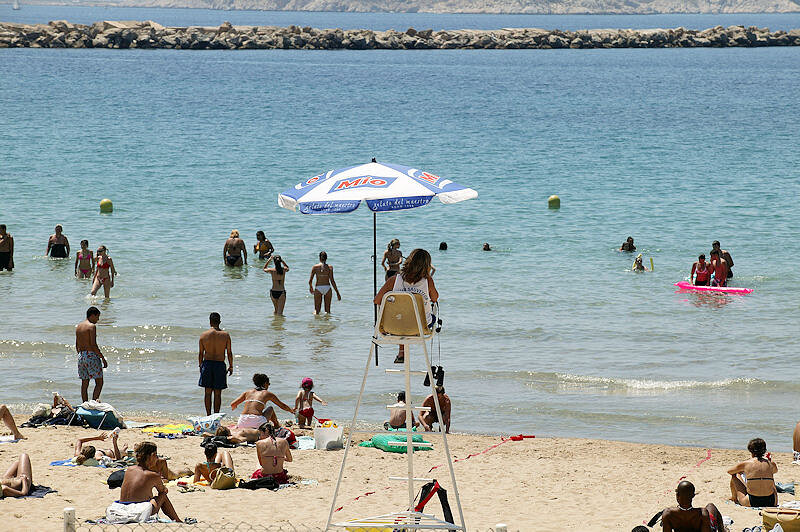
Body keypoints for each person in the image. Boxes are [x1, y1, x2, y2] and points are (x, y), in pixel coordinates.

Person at [374, 248, 439, 363]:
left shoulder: (393, 280)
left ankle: (401, 352)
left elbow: (377, 300)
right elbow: (435, 298)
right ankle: (402, 352)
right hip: (420, 327)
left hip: (393, 326)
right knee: (418, 316)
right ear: (427, 265)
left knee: (402, 315)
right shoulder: (427, 281)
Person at [106, 442, 180, 524]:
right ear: (152, 456)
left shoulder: (129, 470)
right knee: (163, 495)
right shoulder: (153, 475)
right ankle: (178, 520)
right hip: (138, 512)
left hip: (119, 510)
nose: (157, 458)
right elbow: (162, 491)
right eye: (156, 455)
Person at [198, 312, 233, 416]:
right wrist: (231, 366)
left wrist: (200, 365)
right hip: (219, 364)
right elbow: (229, 352)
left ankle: (208, 415)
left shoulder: (204, 335)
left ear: (210, 322)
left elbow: (201, 353)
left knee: (207, 392)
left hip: (207, 364)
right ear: (220, 322)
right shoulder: (225, 335)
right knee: (218, 393)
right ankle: (215, 416)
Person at [230, 373, 294, 429]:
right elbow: (282, 406)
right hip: (257, 423)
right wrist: (291, 410)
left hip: (242, 422)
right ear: (265, 383)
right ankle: (277, 425)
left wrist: (234, 407)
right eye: (268, 384)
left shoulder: (247, 392)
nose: (268, 385)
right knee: (270, 409)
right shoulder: (267, 393)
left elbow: (233, 404)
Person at [728, 437, 778, 507]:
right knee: (770, 476)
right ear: (764, 450)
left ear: (750, 450)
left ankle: (734, 498)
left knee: (735, 475)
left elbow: (729, 471)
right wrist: (768, 462)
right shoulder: (771, 464)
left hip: (752, 501)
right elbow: (775, 471)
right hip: (771, 502)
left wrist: (742, 470)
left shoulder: (746, 463)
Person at [76, 306, 108, 402]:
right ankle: (94, 403)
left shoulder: (78, 326)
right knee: (99, 382)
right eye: (97, 317)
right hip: (91, 355)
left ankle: (85, 404)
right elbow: (93, 345)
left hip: (81, 356)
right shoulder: (91, 326)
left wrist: (82, 355)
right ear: (92, 315)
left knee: (84, 383)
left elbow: (77, 345)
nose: (98, 320)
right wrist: (103, 358)